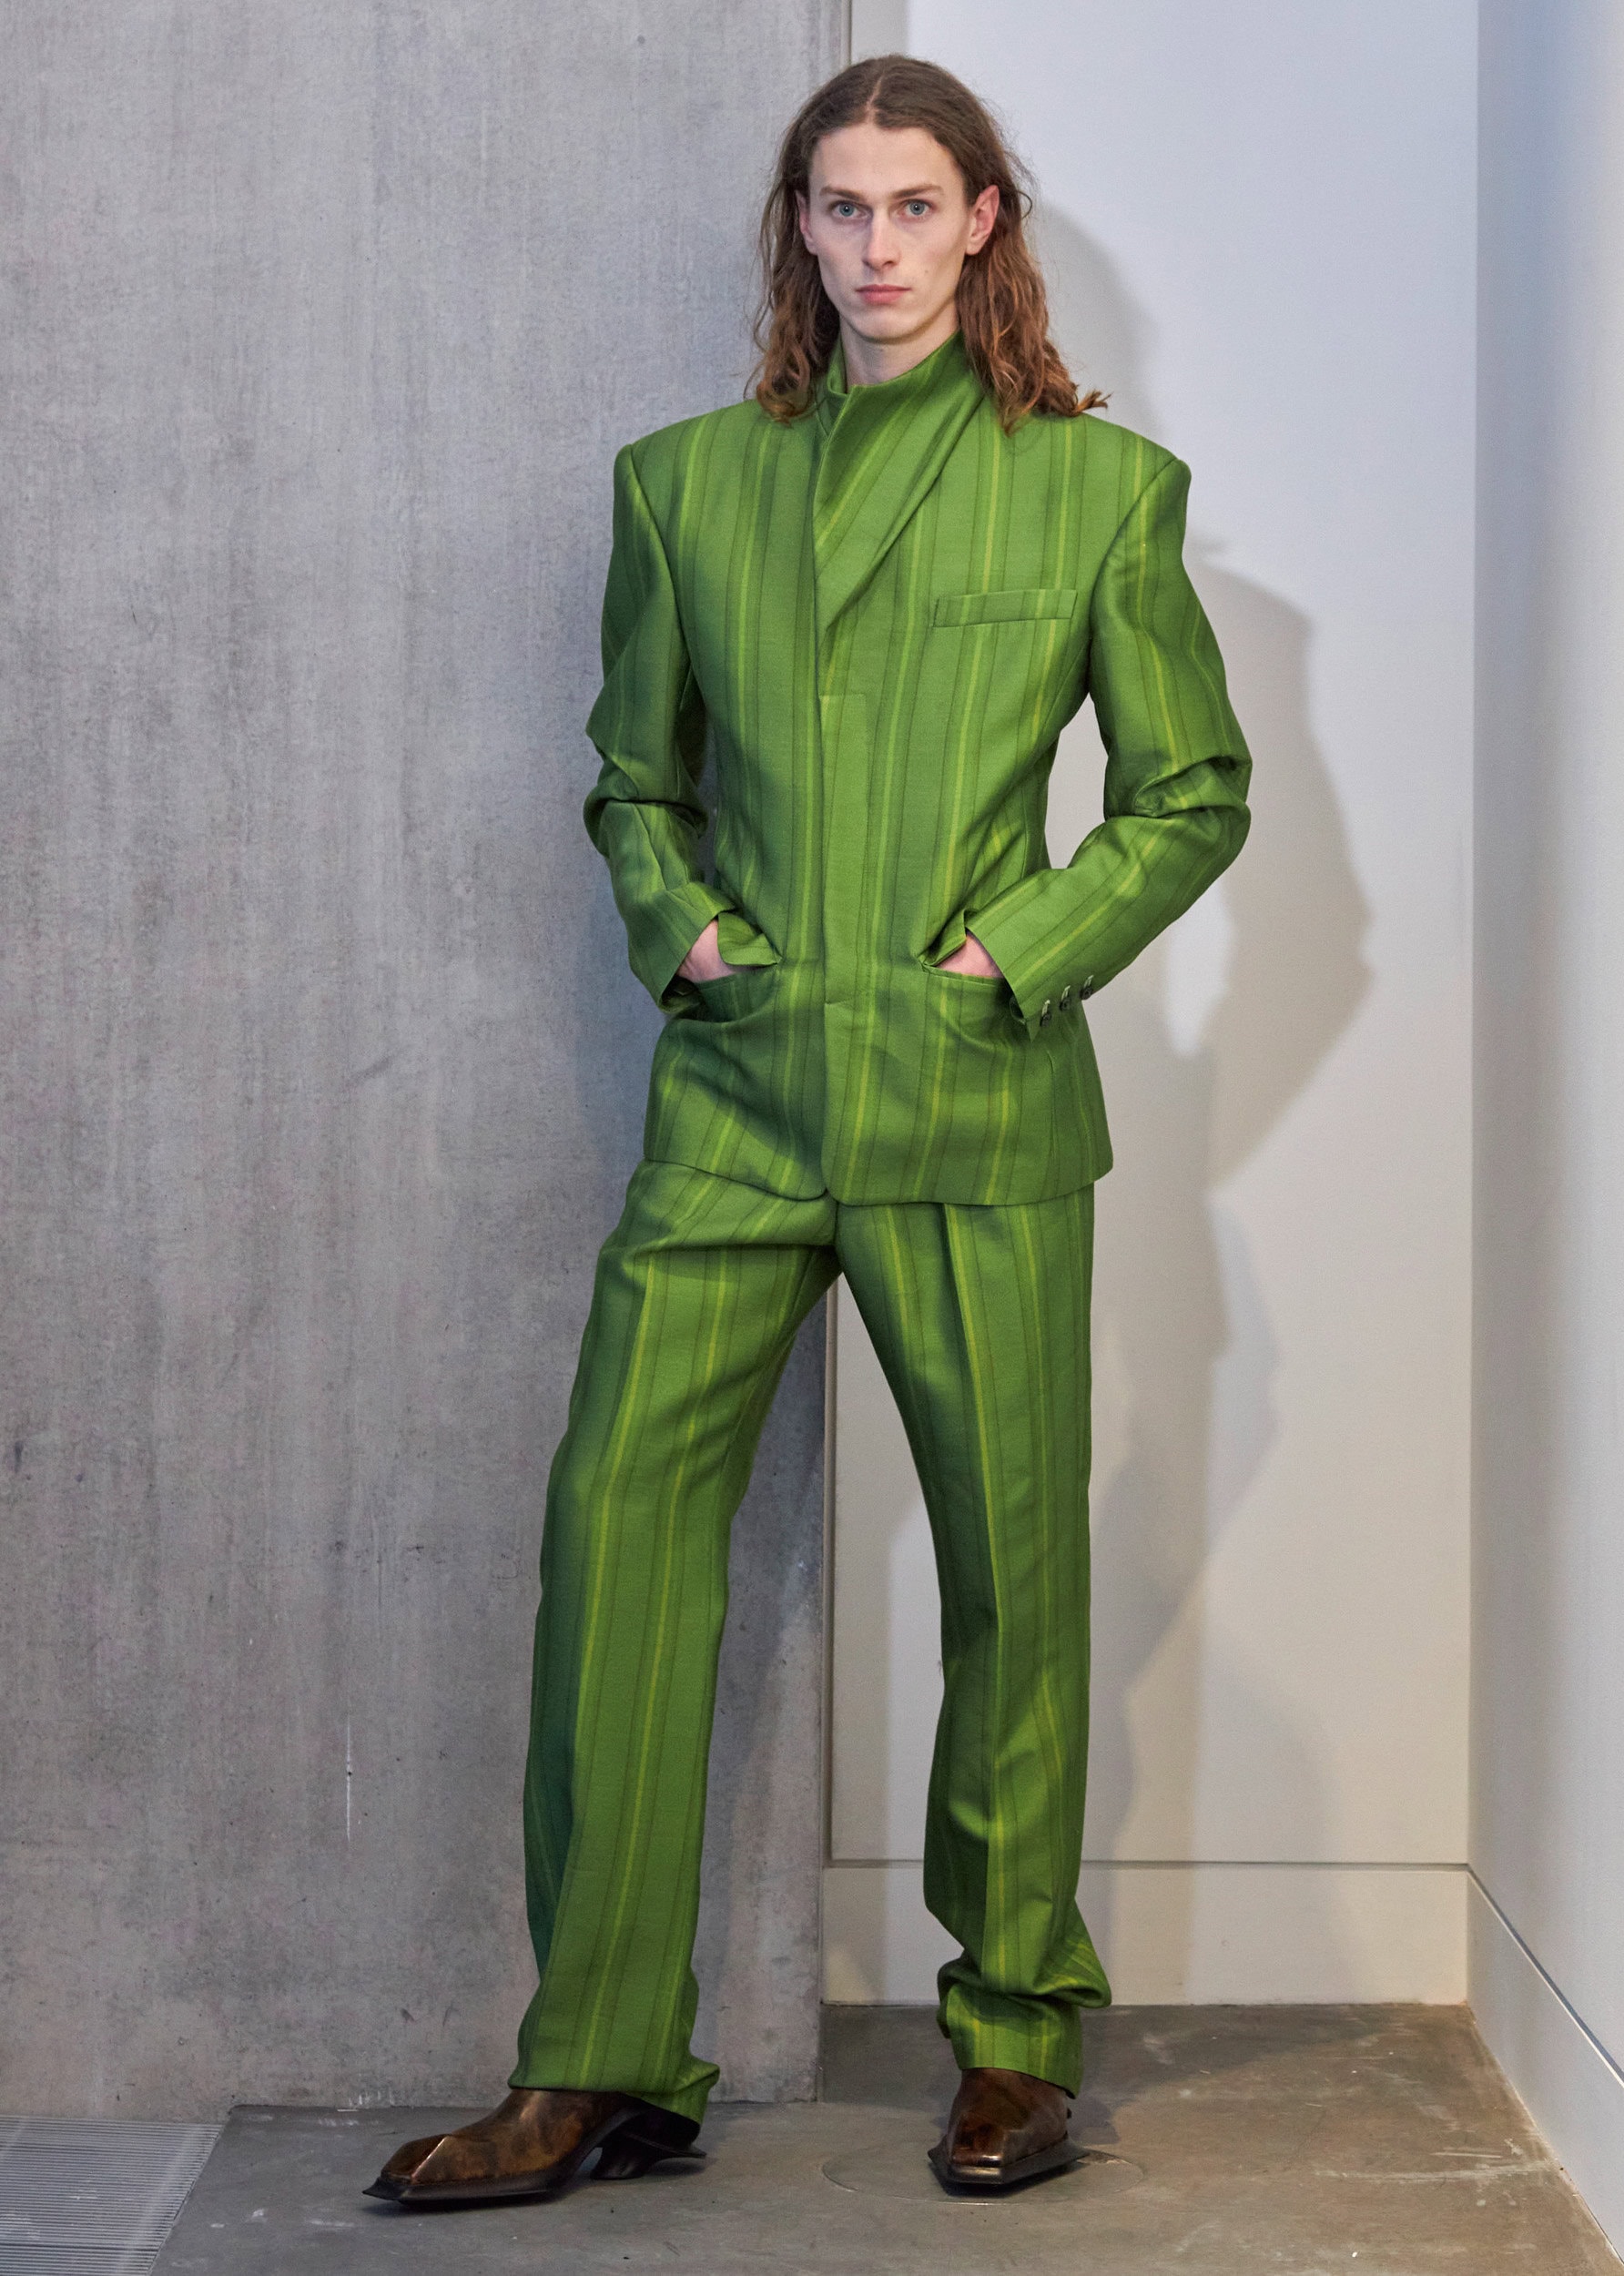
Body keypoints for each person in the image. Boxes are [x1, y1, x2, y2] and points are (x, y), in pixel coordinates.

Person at [369, 51, 1250, 2210]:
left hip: (970, 1096)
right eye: (836, 207)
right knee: (615, 1538)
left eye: (911, 205)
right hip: (741, 1091)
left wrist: (1017, 954)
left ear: (980, 222)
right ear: (797, 229)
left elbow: (1188, 794)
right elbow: (631, 779)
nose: (873, 246)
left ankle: (1013, 2029)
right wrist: (681, 933)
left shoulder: (1093, 493)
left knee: (1010, 1567)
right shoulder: (683, 484)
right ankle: (596, 2059)